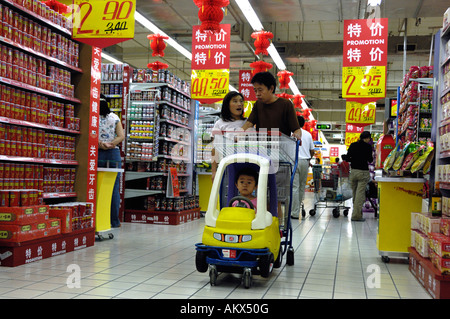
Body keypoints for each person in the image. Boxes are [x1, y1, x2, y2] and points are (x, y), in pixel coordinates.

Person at [241, 72, 302, 140]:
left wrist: (296, 135)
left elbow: (297, 129)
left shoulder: (286, 104)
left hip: (281, 148)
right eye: (255, 90)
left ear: (271, 89)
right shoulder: (258, 104)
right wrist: (238, 133)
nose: (257, 94)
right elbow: (249, 123)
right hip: (262, 148)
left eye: (260, 90)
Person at [98, 95, 125, 228]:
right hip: (113, 154)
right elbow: (121, 136)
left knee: (95, 186)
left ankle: (97, 219)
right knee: (113, 188)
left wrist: (99, 144)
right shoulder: (114, 117)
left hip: (96, 153)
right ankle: (114, 221)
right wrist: (111, 144)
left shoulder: (92, 117)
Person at [211, 91, 247, 182]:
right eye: (235, 101)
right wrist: (214, 171)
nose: (239, 104)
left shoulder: (247, 123)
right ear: (227, 105)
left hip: (246, 166)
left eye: (241, 101)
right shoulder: (220, 124)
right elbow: (215, 149)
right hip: (226, 167)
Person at [342, 131, 373, 222]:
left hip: (354, 172)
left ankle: (357, 213)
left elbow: (347, 158)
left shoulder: (353, 145)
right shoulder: (368, 147)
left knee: (355, 193)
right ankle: (356, 216)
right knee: (360, 194)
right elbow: (370, 160)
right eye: (369, 139)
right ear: (367, 138)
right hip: (363, 172)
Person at [291, 116, 315, 219]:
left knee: (294, 187)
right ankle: (297, 210)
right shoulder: (308, 134)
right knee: (301, 187)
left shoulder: (290, 134)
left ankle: (294, 212)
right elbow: (312, 150)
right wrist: (309, 160)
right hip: (305, 162)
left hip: (294, 161)